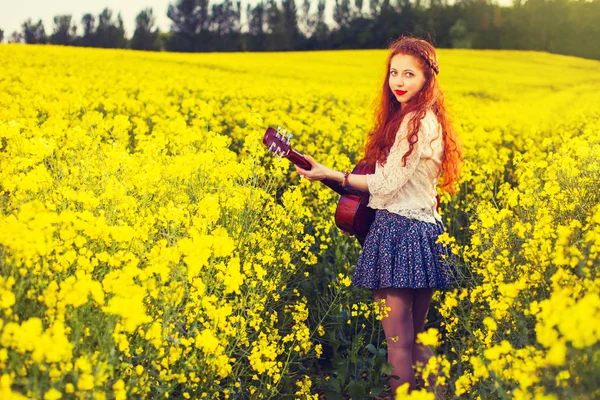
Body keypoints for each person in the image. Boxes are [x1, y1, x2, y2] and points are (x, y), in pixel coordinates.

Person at [294, 36, 463, 397]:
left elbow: (385, 184)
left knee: (398, 341)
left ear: (427, 79)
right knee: (414, 336)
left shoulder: (413, 123)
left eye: (409, 74)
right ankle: (438, 394)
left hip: (399, 233)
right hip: (426, 233)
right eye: (394, 73)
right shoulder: (428, 119)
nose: (399, 82)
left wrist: (329, 174)